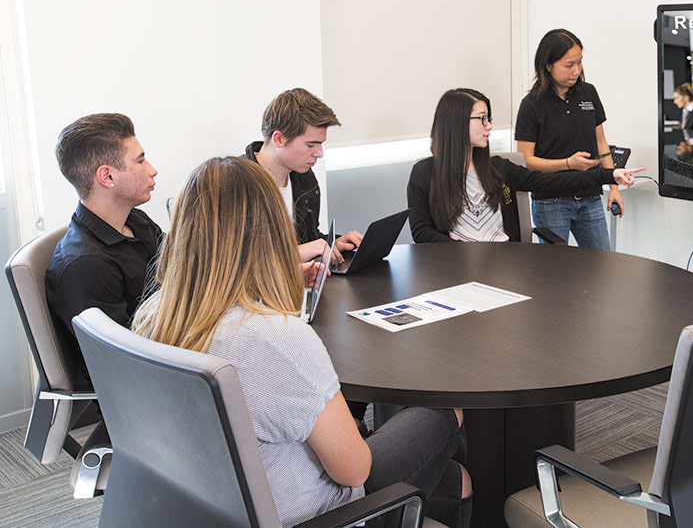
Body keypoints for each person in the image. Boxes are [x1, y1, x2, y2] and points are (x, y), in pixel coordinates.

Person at [131, 157, 472, 527]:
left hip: (212, 506)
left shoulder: (153, 315)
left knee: (454, 480)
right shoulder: (275, 339)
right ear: (270, 232)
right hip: (317, 514)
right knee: (446, 413)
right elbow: (355, 470)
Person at [408, 89, 642, 243]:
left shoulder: (497, 169)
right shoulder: (425, 174)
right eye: (482, 119)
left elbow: (552, 182)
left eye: (489, 118)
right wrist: (465, 252)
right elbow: (421, 232)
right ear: (457, 122)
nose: (489, 126)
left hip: (504, 268)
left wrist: (609, 175)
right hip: (455, 270)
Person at [46, 113, 162, 388]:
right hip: (146, 389)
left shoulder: (136, 221)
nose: (152, 169)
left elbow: (177, 271)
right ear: (107, 176)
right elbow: (124, 361)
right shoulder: (85, 265)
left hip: (171, 347)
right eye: (141, 160)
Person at [514, 29, 624, 249]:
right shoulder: (532, 104)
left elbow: (601, 143)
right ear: (548, 65)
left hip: (590, 197)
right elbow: (526, 160)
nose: (576, 71)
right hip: (551, 200)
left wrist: (613, 187)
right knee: (555, 273)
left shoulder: (588, 93)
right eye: (568, 65)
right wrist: (568, 163)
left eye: (580, 63)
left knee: (603, 266)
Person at [245, 88, 363, 267]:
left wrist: (333, 245)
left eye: (321, 144)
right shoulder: (237, 185)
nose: (319, 153)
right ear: (279, 139)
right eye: (311, 145)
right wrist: (299, 253)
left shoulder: (304, 179)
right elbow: (235, 266)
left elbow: (308, 240)